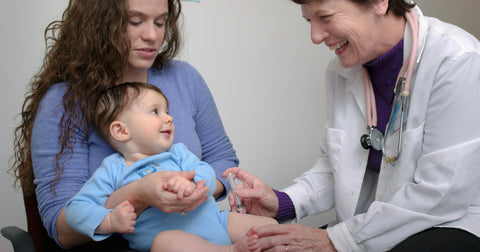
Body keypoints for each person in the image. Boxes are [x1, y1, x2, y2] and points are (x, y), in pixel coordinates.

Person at [225, 0, 480, 251]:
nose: (315, 36)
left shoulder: (456, 60)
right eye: (309, 21)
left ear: (380, 3)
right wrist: (283, 202)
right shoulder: (340, 72)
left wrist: (336, 241)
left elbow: (441, 194)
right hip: (375, 227)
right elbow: (337, 165)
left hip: (453, 223)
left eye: (325, 17)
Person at [10, 0, 240, 250]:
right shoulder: (63, 103)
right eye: (134, 21)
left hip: (201, 235)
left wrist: (198, 189)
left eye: (160, 22)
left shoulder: (185, 78)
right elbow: (63, 230)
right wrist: (139, 195)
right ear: (100, 24)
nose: (152, 35)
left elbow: (222, 158)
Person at [65, 82, 276, 252]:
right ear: (121, 131)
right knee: (166, 242)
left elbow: (207, 173)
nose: (169, 117)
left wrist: (192, 182)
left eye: (167, 111)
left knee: (271, 229)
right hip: (171, 243)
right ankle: (231, 250)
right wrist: (109, 219)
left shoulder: (178, 153)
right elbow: (76, 209)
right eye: (155, 112)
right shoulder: (113, 169)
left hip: (218, 223)